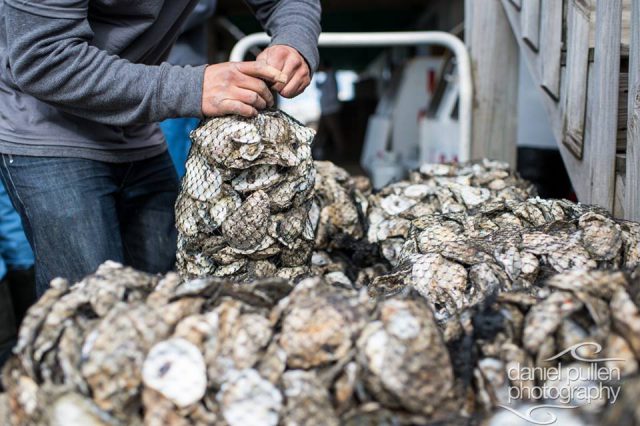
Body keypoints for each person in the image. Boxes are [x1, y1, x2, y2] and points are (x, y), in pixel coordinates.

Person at [0, 0, 321, 298]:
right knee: (89, 315)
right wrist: (193, 88)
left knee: (168, 299)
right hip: (47, 131)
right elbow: (44, 58)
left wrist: (293, 40)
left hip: (138, 131)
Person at [160, 0, 218, 178]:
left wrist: (143, 22)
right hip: (136, 81)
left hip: (183, 73)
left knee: (181, 166)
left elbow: (202, 5)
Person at [314, 60, 346, 160]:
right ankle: (318, 152)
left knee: (334, 132)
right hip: (327, 110)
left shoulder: (331, 76)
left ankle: (340, 153)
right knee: (325, 132)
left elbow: (331, 95)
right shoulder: (329, 76)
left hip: (329, 110)